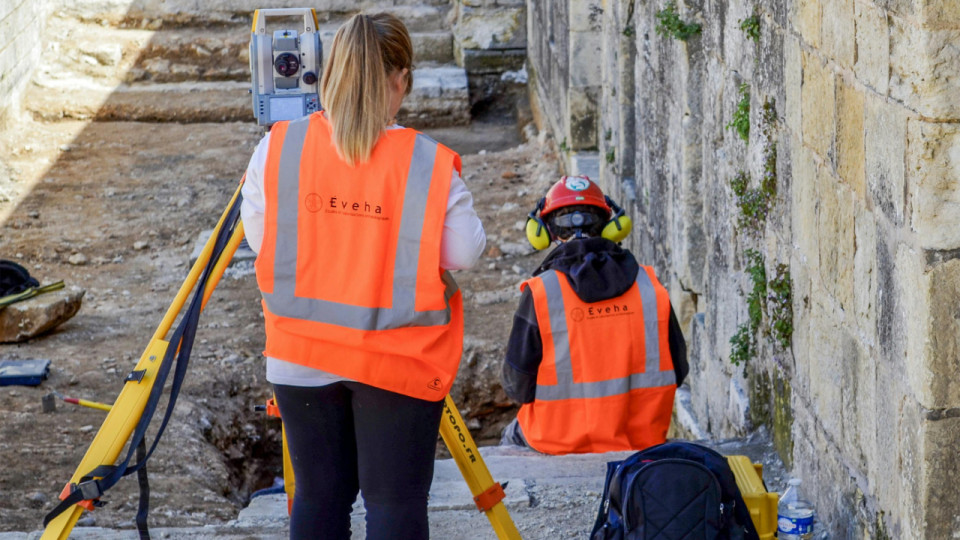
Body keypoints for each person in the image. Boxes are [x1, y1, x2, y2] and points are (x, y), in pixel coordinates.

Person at [239, 13, 485, 540]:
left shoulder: (277, 147)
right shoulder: (426, 162)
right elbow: (464, 252)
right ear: (400, 79)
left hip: (298, 353)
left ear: (329, 75)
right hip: (395, 359)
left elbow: (264, 243)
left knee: (319, 497)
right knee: (393, 501)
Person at [500, 175, 687, 455]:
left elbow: (517, 387)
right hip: (642, 442)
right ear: (611, 227)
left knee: (509, 441)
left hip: (556, 442)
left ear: (546, 231)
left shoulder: (542, 292)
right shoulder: (650, 287)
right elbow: (679, 371)